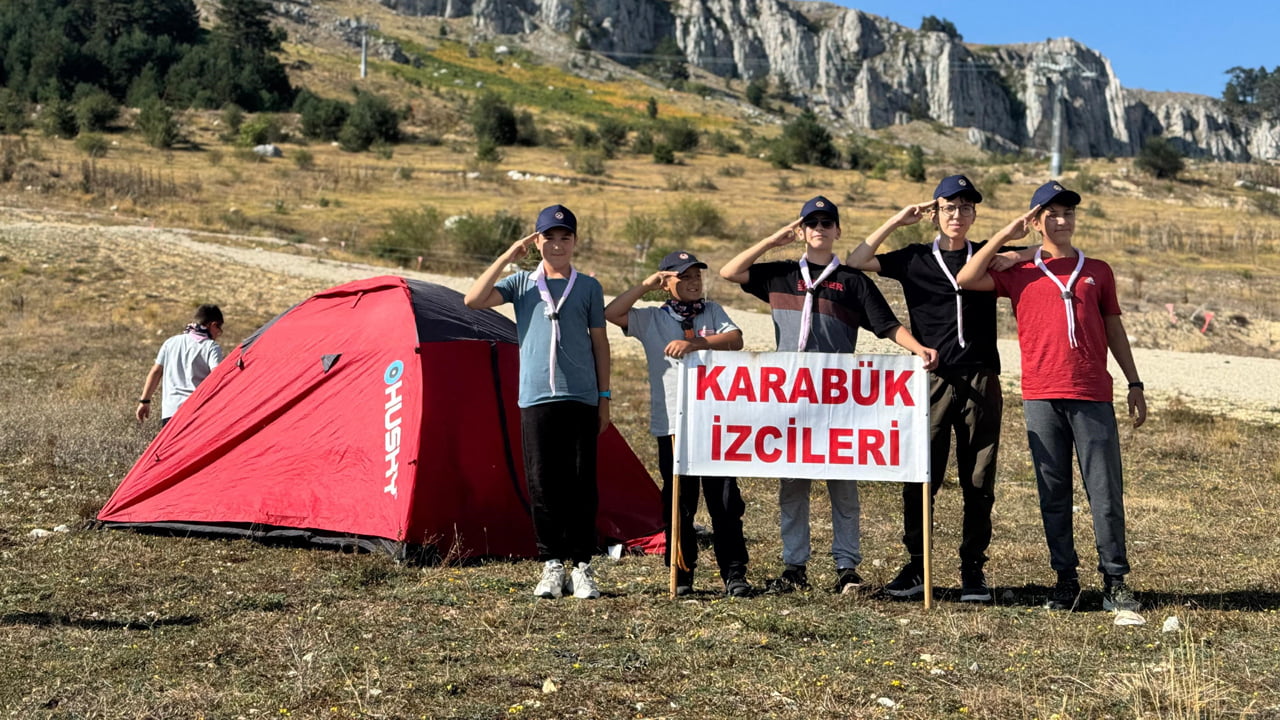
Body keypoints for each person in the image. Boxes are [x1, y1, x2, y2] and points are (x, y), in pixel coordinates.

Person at [720, 196, 938, 594]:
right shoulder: (781, 275)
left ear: (838, 230)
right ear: (801, 230)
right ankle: (794, 567)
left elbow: (886, 324)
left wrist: (917, 348)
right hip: (790, 400)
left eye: (827, 222)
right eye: (811, 223)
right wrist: (773, 240)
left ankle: (846, 567)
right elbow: (730, 271)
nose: (819, 228)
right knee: (793, 486)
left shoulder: (852, 281)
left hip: (838, 401)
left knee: (843, 485)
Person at [956, 181, 1146, 613]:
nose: (1062, 222)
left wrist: (1134, 383)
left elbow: (1114, 327)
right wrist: (1009, 237)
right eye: (1052, 214)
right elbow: (967, 278)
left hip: (1092, 393)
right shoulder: (1017, 270)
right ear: (1037, 221)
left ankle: (1115, 580)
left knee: (1104, 490)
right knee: (1053, 491)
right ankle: (1066, 580)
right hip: (1041, 394)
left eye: (1069, 214)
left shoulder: (1098, 269)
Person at [845, 175, 1031, 603]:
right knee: (921, 473)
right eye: (949, 208)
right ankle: (917, 564)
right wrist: (897, 219)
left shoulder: (986, 257)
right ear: (935, 212)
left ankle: (973, 569)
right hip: (931, 378)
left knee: (979, 478)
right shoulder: (913, 258)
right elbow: (856, 261)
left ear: (974, 215)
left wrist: (1019, 251)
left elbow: (1048, 255)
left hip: (981, 376)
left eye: (966, 208)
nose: (957, 216)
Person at [464, 204, 611, 601]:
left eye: (565, 238)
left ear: (575, 242)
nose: (558, 245)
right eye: (549, 238)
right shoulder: (521, 284)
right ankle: (552, 562)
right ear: (537, 241)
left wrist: (604, 398)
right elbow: (473, 300)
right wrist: (507, 256)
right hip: (535, 397)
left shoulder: (589, 287)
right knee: (543, 482)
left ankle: (582, 564)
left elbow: (600, 343)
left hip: (580, 396)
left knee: (581, 484)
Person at [605, 250, 752, 598]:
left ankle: (734, 574)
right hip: (672, 423)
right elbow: (612, 313)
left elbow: (736, 339)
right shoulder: (651, 319)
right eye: (683, 277)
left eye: (697, 276)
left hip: (715, 421)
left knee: (726, 501)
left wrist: (695, 343)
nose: (693, 282)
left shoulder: (712, 311)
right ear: (666, 281)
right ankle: (682, 573)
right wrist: (645, 285)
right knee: (679, 503)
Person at [136, 304, 225, 427]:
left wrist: (144, 401)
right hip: (197, 412)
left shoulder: (170, 342)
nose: (218, 334)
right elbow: (217, 377)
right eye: (219, 330)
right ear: (213, 325)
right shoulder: (211, 347)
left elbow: (156, 372)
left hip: (170, 413)